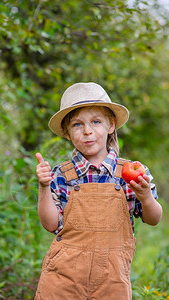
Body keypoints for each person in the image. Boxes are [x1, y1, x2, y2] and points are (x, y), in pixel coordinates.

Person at [35, 82, 162, 300]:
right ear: (66, 132)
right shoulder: (61, 175)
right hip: (63, 279)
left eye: (96, 121)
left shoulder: (130, 173)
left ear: (111, 125)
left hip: (112, 281)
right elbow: (50, 224)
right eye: (77, 125)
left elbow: (154, 218)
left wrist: (145, 197)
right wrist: (44, 187)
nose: (87, 131)